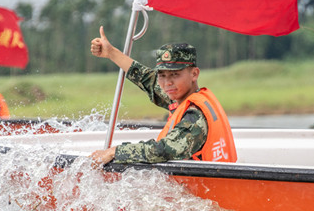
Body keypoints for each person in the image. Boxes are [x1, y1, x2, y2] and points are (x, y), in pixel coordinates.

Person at [89, 26, 237, 166]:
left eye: (174, 74)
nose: (167, 83)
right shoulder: (182, 97)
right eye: (162, 75)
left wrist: (115, 152)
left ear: (194, 74)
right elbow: (147, 79)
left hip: (209, 190)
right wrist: (111, 53)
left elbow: (165, 150)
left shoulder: (195, 115)